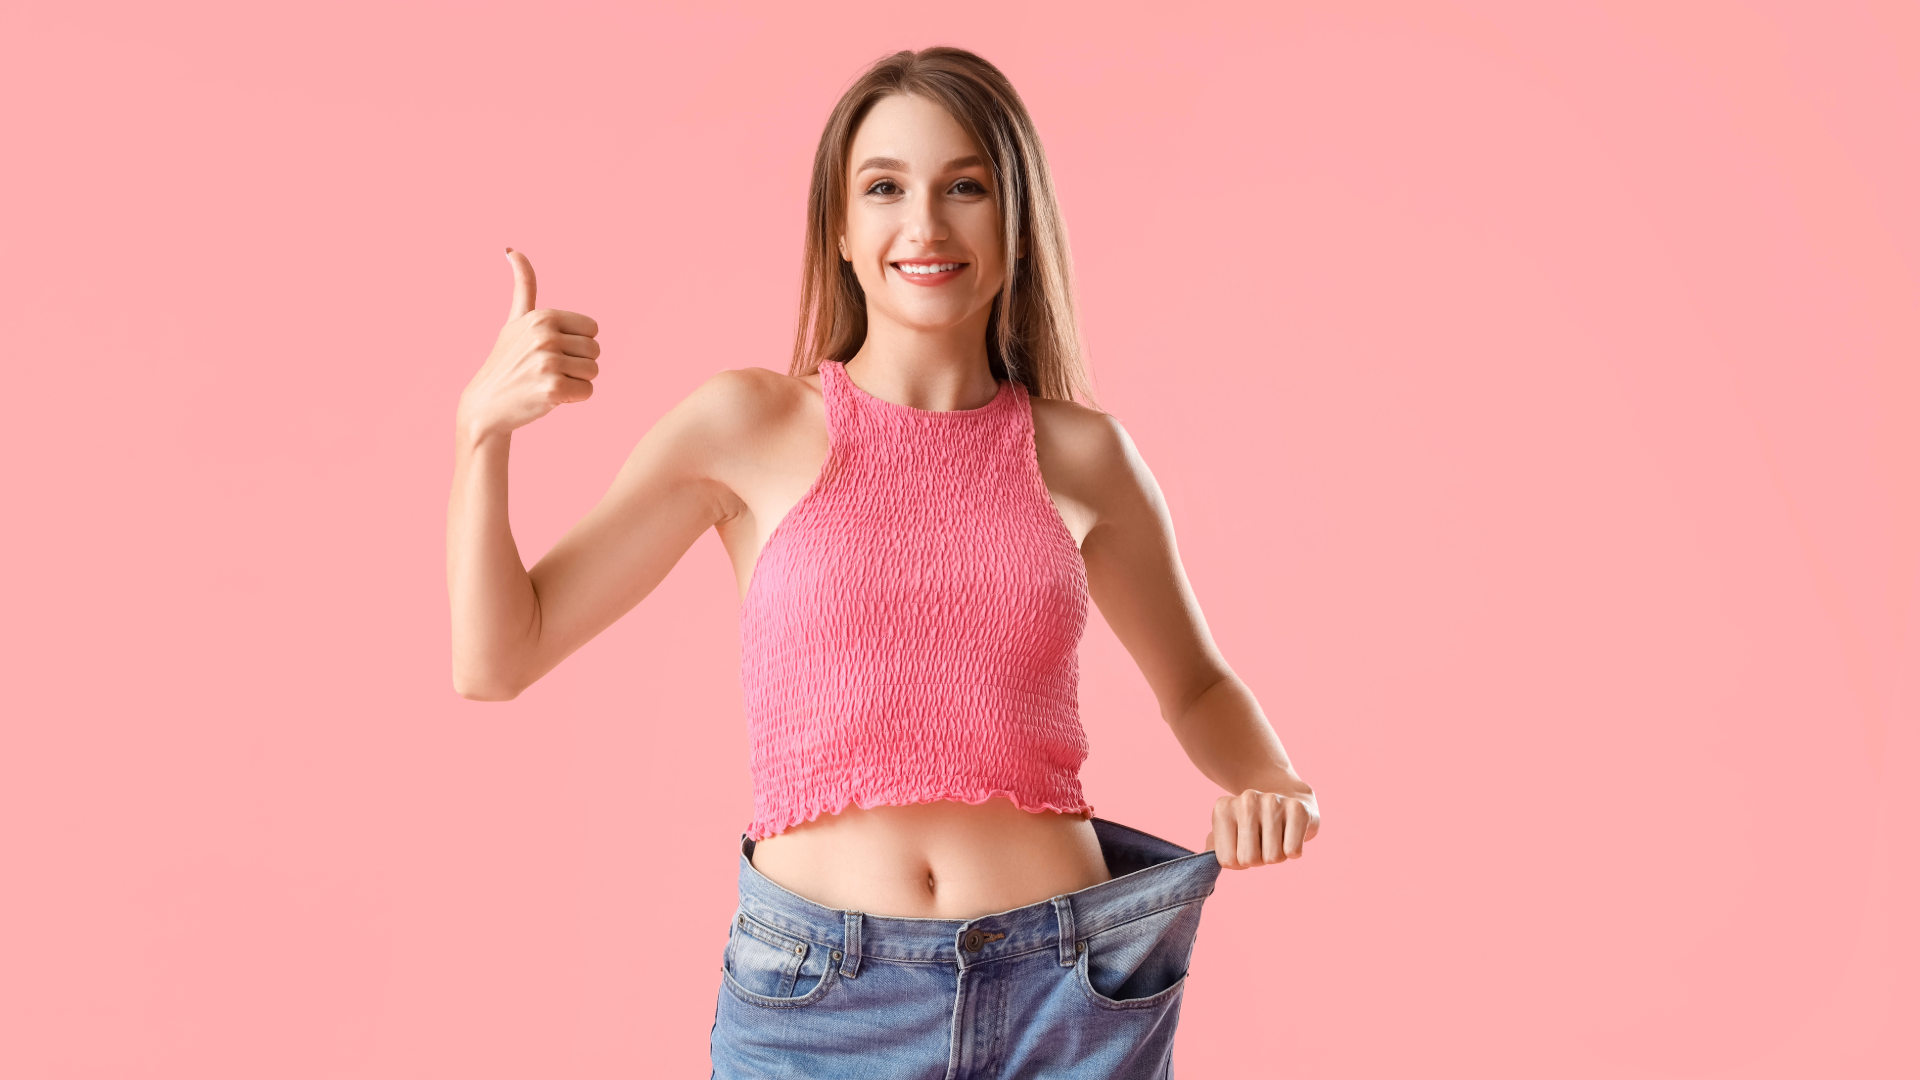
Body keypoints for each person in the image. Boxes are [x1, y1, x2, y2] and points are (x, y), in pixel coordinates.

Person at [447, 46, 1319, 1079]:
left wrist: (1273, 779)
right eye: (884, 188)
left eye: (965, 186)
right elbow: (500, 656)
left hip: (1067, 997)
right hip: (819, 1006)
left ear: (1016, 223)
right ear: (843, 234)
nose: (925, 224)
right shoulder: (746, 427)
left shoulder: (1084, 456)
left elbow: (1199, 684)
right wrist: (481, 432)